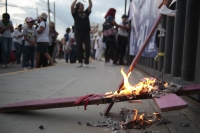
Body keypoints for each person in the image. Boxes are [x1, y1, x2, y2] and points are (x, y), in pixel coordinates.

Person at [71, 0, 94, 68]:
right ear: (78, 6)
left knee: (87, 46)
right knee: (79, 46)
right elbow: (72, 6)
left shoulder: (86, 12)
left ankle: (86, 62)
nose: (83, 6)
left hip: (86, 31)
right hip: (78, 31)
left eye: (83, 5)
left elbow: (90, 5)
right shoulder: (75, 13)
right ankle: (80, 61)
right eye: (81, 5)